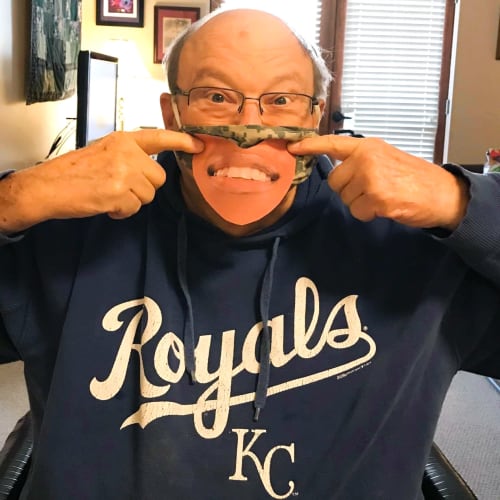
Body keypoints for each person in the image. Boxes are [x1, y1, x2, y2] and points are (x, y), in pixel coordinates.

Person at [1, 7, 499, 500]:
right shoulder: (68, 232)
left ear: (315, 116)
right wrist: (14, 200)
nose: (250, 130)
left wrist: (460, 201)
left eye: (281, 100)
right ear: (172, 114)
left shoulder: (411, 245)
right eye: (216, 96)